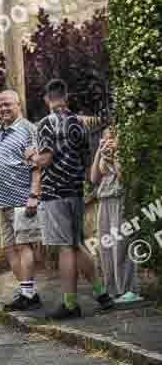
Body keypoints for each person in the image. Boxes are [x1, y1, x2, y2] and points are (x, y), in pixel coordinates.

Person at [26, 79, 115, 320]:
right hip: (76, 192)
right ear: (66, 96)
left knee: (66, 248)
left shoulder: (45, 124)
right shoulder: (79, 124)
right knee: (76, 244)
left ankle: (69, 303)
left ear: (47, 98)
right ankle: (101, 293)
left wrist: (30, 157)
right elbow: (87, 164)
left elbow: (46, 159)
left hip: (54, 194)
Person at [0, 90, 42, 311]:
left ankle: (26, 292)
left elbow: (37, 167)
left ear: (18, 105)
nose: (3, 109)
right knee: (8, 248)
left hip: (20, 198)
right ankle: (28, 291)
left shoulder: (29, 130)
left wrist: (34, 195)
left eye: (7, 104)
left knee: (23, 244)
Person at [91, 127, 142, 304]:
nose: (108, 142)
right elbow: (94, 179)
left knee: (121, 245)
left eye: (111, 139)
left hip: (121, 199)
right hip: (104, 201)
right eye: (105, 139)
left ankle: (129, 290)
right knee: (106, 246)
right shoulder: (102, 155)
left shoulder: (124, 155)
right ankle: (112, 289)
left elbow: (124, 177)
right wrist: (99, 152)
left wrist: (115, 156)